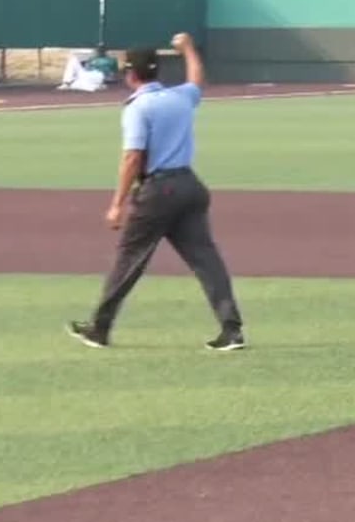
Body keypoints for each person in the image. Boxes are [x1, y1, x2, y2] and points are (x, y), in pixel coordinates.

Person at [67, 32, 247, 352]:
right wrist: (189, 49)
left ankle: (100, 328)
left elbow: (133, 157)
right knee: (206, 259)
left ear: (131, 74)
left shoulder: (138, 107)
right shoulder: (179, 97)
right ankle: (231, 329)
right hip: (189, 186)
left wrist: (117, 204)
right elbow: (197, 81)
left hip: (158, 192)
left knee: (128, 259)